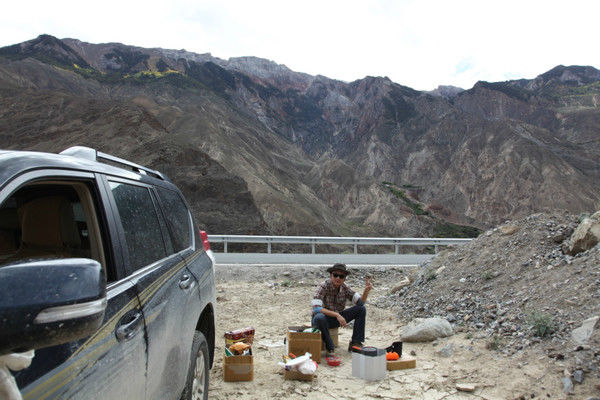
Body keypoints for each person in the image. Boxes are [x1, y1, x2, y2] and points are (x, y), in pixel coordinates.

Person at [311, 263, 373, 356]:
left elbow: (360, 303)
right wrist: (337, 315)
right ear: (331, 275)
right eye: (335, 275)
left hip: (336, 319)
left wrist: (366, 291)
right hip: (322, 320)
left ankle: (356, 342)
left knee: (361, 309)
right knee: (319, 317)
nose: (338, 278)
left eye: (341, 276)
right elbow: (316, 308)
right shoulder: (323, 286)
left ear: (344, 278)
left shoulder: (345, 287)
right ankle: (330, 346)